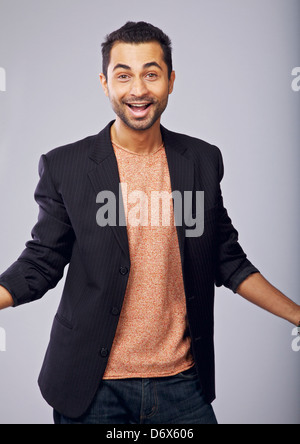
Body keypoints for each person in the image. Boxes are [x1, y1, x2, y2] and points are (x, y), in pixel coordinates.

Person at [0, 21, 299, 425]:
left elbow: (227, 260)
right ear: (105, 83)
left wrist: (297, 314)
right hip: (91, 387)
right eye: (123, 75)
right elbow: (40, 263)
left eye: (151, 74)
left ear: (171, 81)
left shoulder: (201, 161)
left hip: (182, 384)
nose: (137, 89)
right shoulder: (65, 167)